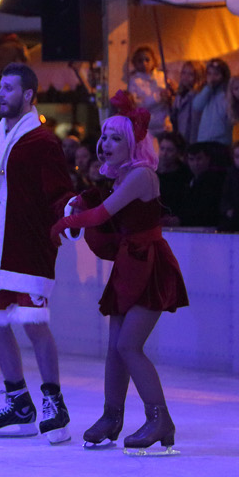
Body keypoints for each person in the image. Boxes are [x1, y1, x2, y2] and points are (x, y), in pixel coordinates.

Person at [50, 91, 188, 455]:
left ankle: (160, 419)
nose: (106, 144)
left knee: (129, 345)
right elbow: (105, 213)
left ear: (133, 144)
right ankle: (112, 417)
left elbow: (101, 217)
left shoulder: (141, 175)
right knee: (115, 347)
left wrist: (68, 220)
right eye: (105, 136)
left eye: (116, 138)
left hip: (149, 264)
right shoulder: (125, 176)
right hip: (131, 263)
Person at [0, 62, 75, 443]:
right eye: (0, 87)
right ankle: (19, 402)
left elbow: (58, 193)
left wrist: (69, 214)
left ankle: (54, 402)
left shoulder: (44, 142)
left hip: (30, 248)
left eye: (8, 88)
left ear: (27, 95)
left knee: (34, 321)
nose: (0, 94)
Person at [124, 46, 170, 133]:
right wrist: (158, 97)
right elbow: (136, 103)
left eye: (147, 60)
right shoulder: (134, 81)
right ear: (135, 63)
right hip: (145, 126)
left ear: (153, 60)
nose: (144, 63)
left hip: (163, 124)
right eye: (140, 61)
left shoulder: (162, 76)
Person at [191, 58, 233, 145]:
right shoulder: (205, 92)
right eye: (209, 74)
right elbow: (196, 105)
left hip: (221, 141)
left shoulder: (227, 95)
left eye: (216, 74)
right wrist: (208, 88)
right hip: (203, 139)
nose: (212, 77)